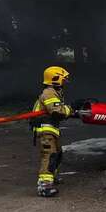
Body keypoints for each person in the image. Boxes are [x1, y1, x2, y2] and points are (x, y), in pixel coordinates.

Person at [31, 66, 73, 197]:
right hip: (45, 130)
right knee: (49, 155)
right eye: (63, 79)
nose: (65, 82)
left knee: (57, 154)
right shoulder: (49, 92)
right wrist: (71, 109)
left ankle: (51, 178)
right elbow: (57, 111)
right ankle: (44, 186)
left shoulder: (54, 91)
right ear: (55, 79)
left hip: (51, 129)